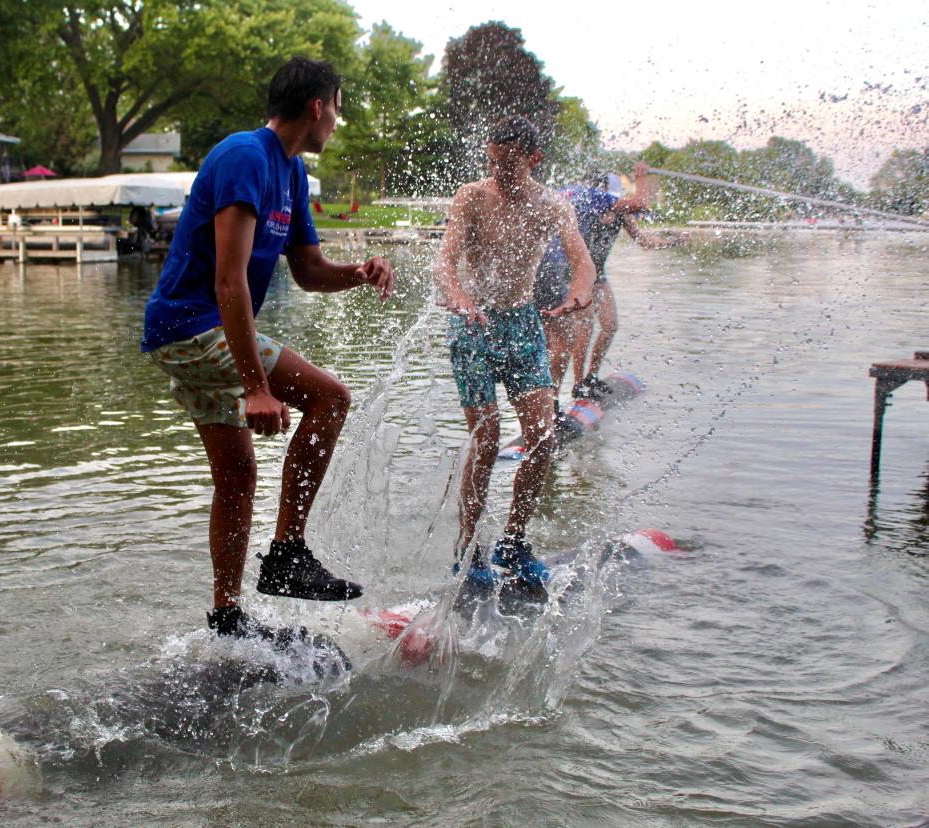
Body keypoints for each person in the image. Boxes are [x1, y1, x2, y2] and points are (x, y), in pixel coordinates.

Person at [141, 57, 395, 645]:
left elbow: (308, 271)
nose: (338, 117)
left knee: (237, 475)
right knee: (330, 399)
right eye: (337, 104)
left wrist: (359, 272)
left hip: (197, 330)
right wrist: (257, 388)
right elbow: (228, 282)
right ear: (317, 106)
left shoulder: (292, 176)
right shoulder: (244, 157)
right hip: (193, 324)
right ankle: (287, 553)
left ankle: (227, 619)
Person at [434, 115, 596, 602]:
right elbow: (445, 261)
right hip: (472, 324)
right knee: (484, 440)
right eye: (493, 161)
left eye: (509, 163)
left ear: (533, 159)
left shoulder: (552, 206)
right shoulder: (472, 196)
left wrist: (579, 293)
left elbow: (582, 260)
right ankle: (469, 549)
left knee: (543, 435)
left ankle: (513, 541)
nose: (499, 173)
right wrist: (459, 297)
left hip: (522, 322)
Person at [569, 165, 686, 398]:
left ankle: (592, 377)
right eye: (612, 194)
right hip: (578, 276)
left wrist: (673, 241)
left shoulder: (621, 213)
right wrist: (641, 176)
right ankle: (578, 383)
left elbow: (643, 241)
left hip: (599, 276)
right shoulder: (586, 207)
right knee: (585, 327)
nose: (616, 199)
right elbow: (641, 201)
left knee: (610, 325)